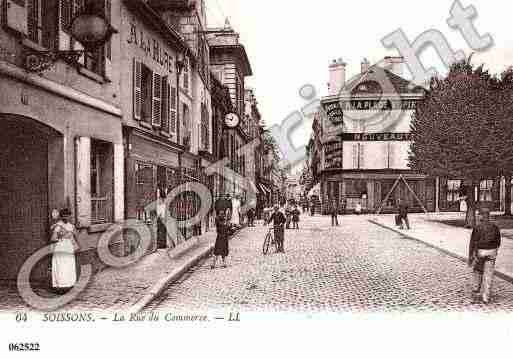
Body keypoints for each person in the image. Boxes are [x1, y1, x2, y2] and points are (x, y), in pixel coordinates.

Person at [468, 207, 502, 304]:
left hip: (481, 252)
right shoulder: (495, 227)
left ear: (482, 216)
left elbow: (473, 243)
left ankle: (476, 290)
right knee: (489, 274)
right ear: (489, 216)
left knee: (478, 271)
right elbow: (498, 241)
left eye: (479, 214)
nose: (478, 216)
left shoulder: (478, 227)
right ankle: (486, 297)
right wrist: (494, 249)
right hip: (492, 251)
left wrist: (471, 256)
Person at [50, 208, 78, 294]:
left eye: (68, 216)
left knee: (69, 265)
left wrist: (74, 245)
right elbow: (53, 238)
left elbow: (73, 237)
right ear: (61, 217)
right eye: (64, 216)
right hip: (60, 247)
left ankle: (69, 285)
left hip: (68, 247)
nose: (66, 218)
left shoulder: (71, 226)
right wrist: (61, 237)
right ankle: (60, 286)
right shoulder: (58, 226)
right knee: (61, 266)